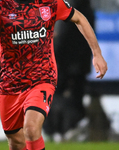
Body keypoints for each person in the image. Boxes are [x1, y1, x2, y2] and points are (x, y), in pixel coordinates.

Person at [0, 0, 107, 149]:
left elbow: (79, 18)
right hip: (11, 83)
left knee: (31, 128)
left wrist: (97, 53)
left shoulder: (50, 3)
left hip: (42, 78)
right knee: (16, 141)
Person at [43, 0, 95, 142]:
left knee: (55, 97)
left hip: (64, 64)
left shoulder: (69, 9)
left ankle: (56, 129)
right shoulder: (88, 10)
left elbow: (61, 38)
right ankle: (67, 129)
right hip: (79, 65)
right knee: (73, 98)